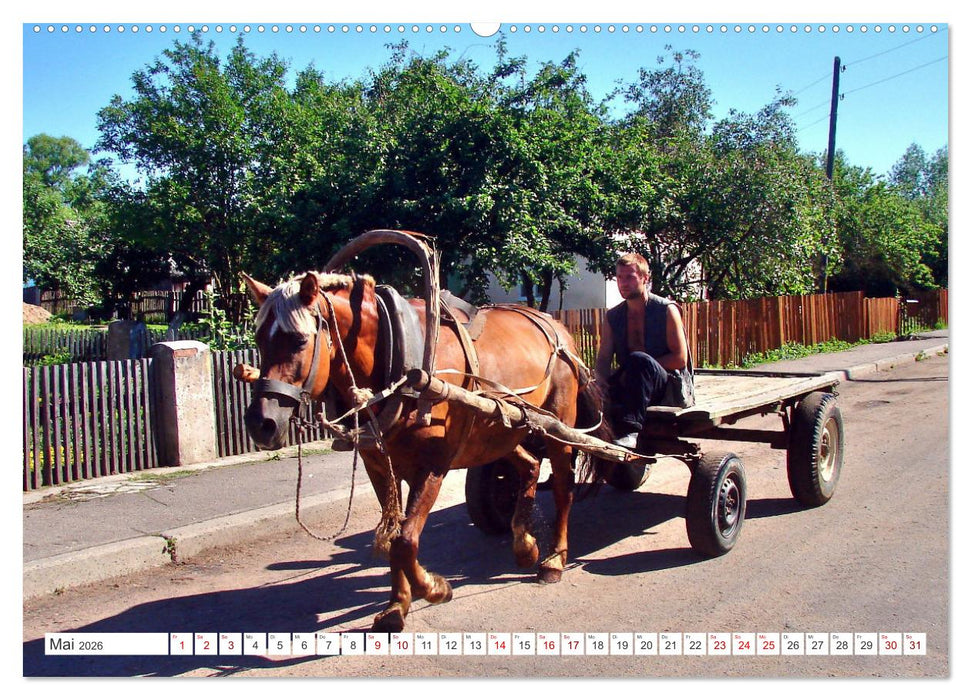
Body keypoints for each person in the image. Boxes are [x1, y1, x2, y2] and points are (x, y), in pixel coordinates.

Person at [595, 252, 692, 449]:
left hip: (666, 385)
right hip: (630, 382)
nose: (623, 283)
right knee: (584, 390)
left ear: (645, 278)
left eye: (630, 277)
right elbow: (604, 358)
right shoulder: (613, 316)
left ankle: (630, 430)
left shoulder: (666, 309)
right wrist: (600, 384)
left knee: (639, 360)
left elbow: (680, 359)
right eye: (619, 278)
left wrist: (638, 367)